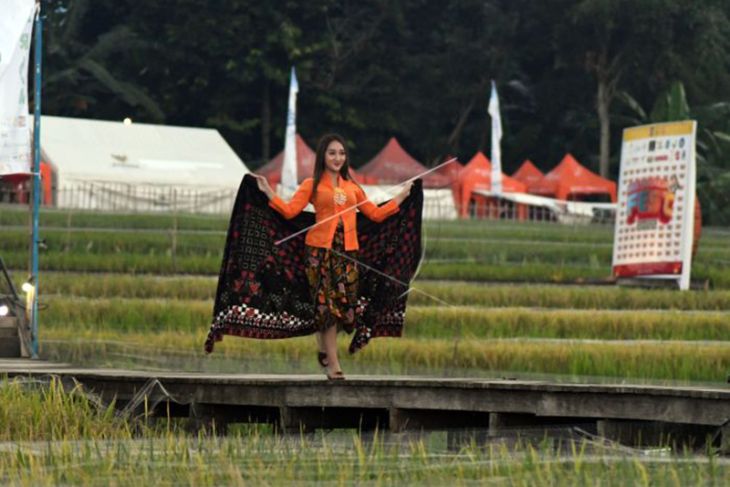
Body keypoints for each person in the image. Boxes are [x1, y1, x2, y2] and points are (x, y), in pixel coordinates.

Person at [252, 133, 413, 380]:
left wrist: (401, 195)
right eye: (332, 153)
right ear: (323, 156)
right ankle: (333, 365)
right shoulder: (311, 184)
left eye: (341, 153)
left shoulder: (352, 187)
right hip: (319, 253)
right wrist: (267, 191)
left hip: (347, 253)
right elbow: (289, 211)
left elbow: (375, 214)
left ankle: (323, 346)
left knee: (345, 310)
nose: (337, 158)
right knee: (326, 309)